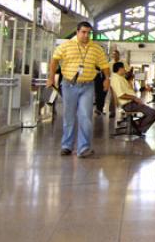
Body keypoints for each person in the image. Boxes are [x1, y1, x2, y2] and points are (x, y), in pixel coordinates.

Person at [47, 21, 110, 158]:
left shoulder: (96, 48)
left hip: (87, 86)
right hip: (69, 85)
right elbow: (54, 60)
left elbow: (104, 65)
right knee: (69, 117)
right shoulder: (66, 46)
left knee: (85, 117)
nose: (86, 35)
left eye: (89, 33)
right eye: (83, 32)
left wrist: (106, 79)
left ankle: (84, 148)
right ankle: (66, 146)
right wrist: (51, 78)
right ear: (77, 32)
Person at [111, 62, 155, 135]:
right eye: (124, 68)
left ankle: (137, 125)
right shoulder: (116, 79)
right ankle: (137, 128)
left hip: (131, 103)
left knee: (150, 113)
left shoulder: (120, 77)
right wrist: (134, 98)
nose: (125, 70)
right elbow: (121, 95)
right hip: (128, 104)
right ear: (120, 68)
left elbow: (129, 90)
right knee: (153, 113)